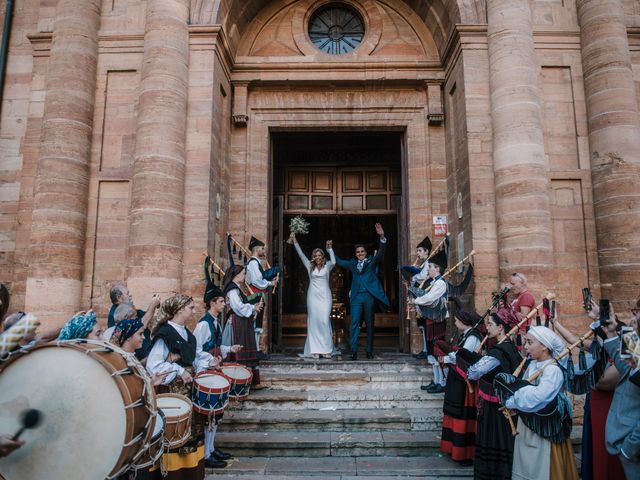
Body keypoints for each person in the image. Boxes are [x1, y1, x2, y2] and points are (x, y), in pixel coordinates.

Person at [146, 293, 219, 480]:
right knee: (175, 435)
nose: (194, 311)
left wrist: (208, 363)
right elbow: (154, 364)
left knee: (192, 432)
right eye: (191, 308)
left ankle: (191, 474)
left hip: (189, 391)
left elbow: (192, 357)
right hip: (174, 393)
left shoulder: (187, 333)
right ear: (179, 310)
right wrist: (178, 370)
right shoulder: (165, 333)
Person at [552, 308, 625, 480]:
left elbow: (604, 382)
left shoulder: (623, 353)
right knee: (593, 451)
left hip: (608, 410)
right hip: (593, 406)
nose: (597, 337)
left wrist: (586, 369)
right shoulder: (601, 348)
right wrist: (555, 323)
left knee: (604, 454)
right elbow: (574, 340)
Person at [504, 326, 579, 480]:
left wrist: (512, 400)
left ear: (544, 346)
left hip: (545, 426)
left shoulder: (552, 370)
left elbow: (539, 397)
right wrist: (516, 406)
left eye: (530, 342)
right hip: (528, 424)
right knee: (527, 465)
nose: (525, 347)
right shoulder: (532, 365)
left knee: (543, 467)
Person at [464, 308, 521, 480]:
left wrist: (470, 359)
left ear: (501, 328)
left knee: (494, 440)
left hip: (495, 406)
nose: (487, 327)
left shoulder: (497, 352)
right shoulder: (511, 347)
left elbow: (473, 373)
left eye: (490, 324)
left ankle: (494, 474)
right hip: (506, 403)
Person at [193, 283, 243, 468]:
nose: (224, 304)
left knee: (217, 414)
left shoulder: (215, 322)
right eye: (222, 301)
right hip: (205, 371)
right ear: (212, 303)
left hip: (214, 368)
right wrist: (210, 359)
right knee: (209, 415)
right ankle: (206, 454)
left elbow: (215, 346)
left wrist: (230, 349)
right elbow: (196, 350)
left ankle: (212, 448)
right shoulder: (203, 324)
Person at [333, 222, 390, 360]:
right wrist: (330, 250)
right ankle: (354, 350)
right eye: (358, 252)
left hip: (369, 296)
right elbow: (339, 261)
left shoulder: (372, 262)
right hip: (356, 297)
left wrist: (382, 236)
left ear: (366, 253)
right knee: (354, 323)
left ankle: (369, 350)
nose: (360, 254)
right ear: (356, 254)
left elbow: (381, 252)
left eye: (362, 252)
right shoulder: (352, 264)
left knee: (370, 324)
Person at [437, 308, 482, 463]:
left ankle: (464, 453)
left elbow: (463, 356)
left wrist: (446, 359)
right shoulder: (465, 335)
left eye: (456, 320)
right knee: (453, 412)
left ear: (464, 321)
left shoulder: (473, 337)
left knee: (462, 414)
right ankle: (453, 449)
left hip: (464, 382)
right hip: (457, 379)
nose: (455, 323)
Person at [602, 302, 640, 480]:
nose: (632, 318)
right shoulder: (634, 341)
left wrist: (629, 448)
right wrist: (610, 331)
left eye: (637, 312)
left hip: (633, 444)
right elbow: (626, 365)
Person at [291, 233, 336, 359]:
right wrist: (295, 241)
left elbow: (334, 261)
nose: (317, 257)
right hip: (313, 297)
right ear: (313, 257)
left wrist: (330, 249)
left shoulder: (328, 266)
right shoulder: (309, 266)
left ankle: (327, 349)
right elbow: (300, 254)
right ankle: (315, 349)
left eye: (319, 255)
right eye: (315, 255)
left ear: (322, 256)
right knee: (314, 322)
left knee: (325, 321)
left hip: (325, 296)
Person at [412, 249, 448, 392]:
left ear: (437, 269)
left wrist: (416, 300)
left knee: (438, 351)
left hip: (437, 320)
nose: (429, 270)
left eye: (430, 267)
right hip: (430, 319)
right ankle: (437, 380)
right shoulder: (432, 282)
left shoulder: (440, 283)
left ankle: (443, 382)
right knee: (432, 353)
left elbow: (430, 298)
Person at [223, 265, 265, 387]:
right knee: (240, 350)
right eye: (243, 273)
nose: (244, 275)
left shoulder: (237, 288)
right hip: (237, 324)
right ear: (236, 275)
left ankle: (251, 382)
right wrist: (253, 307)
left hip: (242, 322)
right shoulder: (232, 290)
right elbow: (238, 307)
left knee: (247, 348)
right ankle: (238, 384)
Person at [245, 236, 281, 359]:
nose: (264, 250)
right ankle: (254, 350)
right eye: (262, 248)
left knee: (258, 324)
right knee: (255, 323)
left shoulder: (256, 263)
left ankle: (257, 349)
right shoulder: (253, 263)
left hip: (259, 295)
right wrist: (270, 283)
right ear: (257, 249)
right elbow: (256, 280)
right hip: (256, 296)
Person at [400, 236, 432, 360]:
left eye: (420, 250)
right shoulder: (423, 263)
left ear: (426, 251)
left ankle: (427, 350)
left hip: (425, 295)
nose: (417, 253)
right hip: (420, 294)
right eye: (417, 251)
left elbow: (423, 275)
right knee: (422, 324)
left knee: (425, 323)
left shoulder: (429, 263)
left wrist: (411, 276)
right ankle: (425, 349)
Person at [108, 283, 160, 359]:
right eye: (127, 293)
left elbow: (146, 316)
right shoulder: (115, 314)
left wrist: (155, 306)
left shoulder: (130, 308)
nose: (130, 295)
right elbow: (140, 325)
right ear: (119, 298)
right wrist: (153, 305)